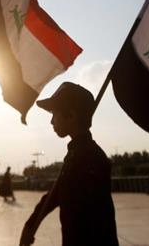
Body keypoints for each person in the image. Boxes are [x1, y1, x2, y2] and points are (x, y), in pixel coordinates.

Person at [20, 82, 118, 246]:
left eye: (54, 114)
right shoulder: (76, 154)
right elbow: (55, 194)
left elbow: (93, 223)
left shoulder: (89, 158)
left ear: (71, 115)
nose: (52, 122)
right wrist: (31, 225)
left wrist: (30, 226)